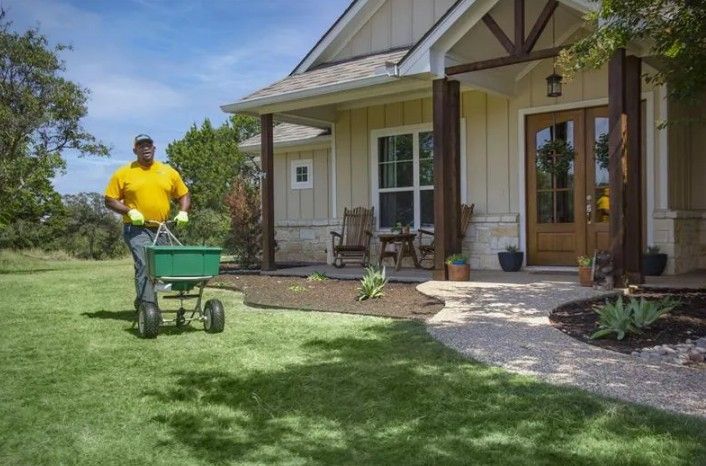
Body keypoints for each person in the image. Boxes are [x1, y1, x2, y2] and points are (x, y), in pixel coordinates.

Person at [104, 134, 191, 310]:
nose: (145, 148)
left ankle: (142, 299)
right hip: (136, 228)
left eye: (148, 145)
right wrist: (129, 211)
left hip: (161, 227)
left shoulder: (168, 171)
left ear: (154, 148)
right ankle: (149, 307)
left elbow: (184, 194)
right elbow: (109, 200)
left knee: (163, 268)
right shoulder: (124, 173)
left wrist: (183, 212)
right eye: (141, 145)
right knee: (145, 264)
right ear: (135, 150)